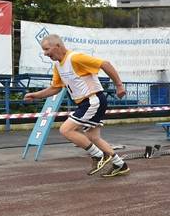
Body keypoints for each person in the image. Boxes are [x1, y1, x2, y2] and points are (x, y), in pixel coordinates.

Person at [23, 34, 130, 177]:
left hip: (93, 100)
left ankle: (98, 156)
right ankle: (120, 164)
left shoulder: (75, 58)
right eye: (44, 50)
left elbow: (105, 64)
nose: (45, 53)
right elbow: (55, 88)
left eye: (47, 49)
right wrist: (35, 95)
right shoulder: (57, 66)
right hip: (87, 103)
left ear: (58, 46)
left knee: (66, 129)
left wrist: (119, 86)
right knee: (93, 137)